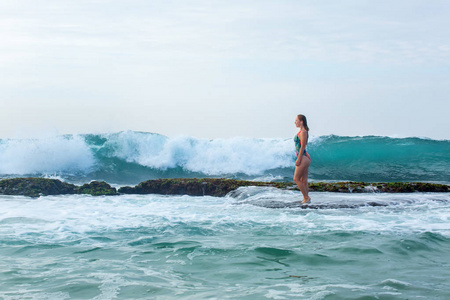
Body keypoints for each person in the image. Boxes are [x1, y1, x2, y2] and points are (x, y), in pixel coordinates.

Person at [294, 114, 311, 204]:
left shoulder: (303, 132)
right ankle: (306, 198)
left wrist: (299, 159)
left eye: (296, 120)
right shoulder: (302, 132)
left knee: (296, 179)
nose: (295, 122)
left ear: (301, 122)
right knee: (304, 179)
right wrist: (306, 154)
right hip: (304, 157)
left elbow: (303, 146)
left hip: (303, 158)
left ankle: (306, 197)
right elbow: (302, 145)